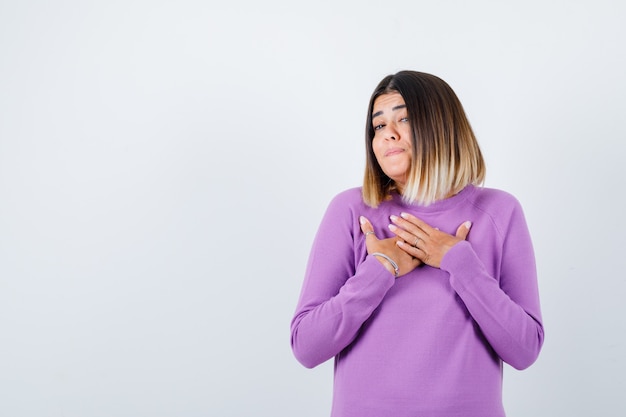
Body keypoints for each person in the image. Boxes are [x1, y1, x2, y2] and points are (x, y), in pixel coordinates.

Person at [290, 70, 544, 417]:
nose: (388, 134)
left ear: (441, 125)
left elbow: (524, 350)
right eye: (378, 126)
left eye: (404, 118)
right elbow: (307, 346)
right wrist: (380, 268)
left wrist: (459, 262)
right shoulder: (351, 211)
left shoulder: (499, 213)